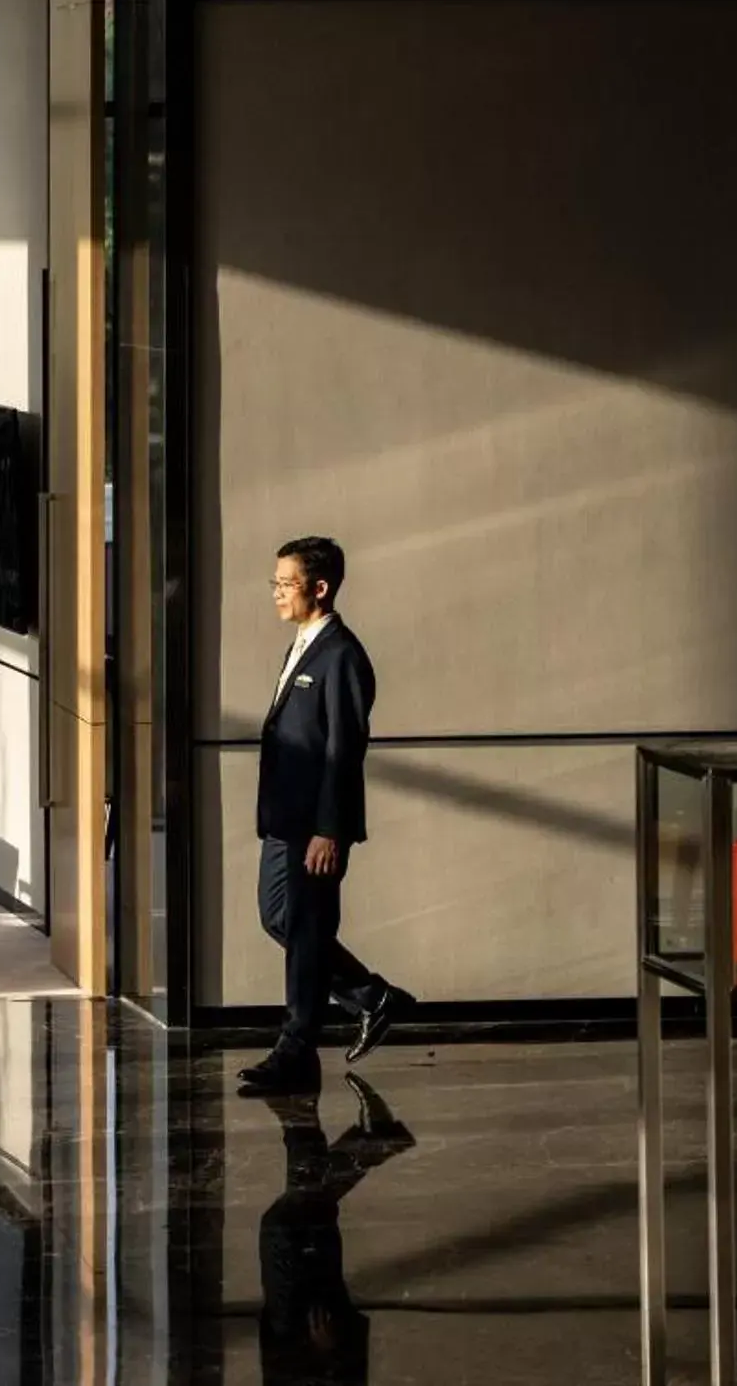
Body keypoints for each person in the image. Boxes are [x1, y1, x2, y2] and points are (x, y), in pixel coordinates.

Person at [239, 535, 414, 1096]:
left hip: (314, 825)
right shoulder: (300, 645)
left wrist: (329, 829)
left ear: (320, 587)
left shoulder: (341, 655)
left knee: (309, 931)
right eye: (275, 583)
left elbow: (343, 750)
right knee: (280, 919)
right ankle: (372, 997)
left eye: (285, 584)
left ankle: (296, 1051)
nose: (276, 594)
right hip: (284, 818)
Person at [255, 1073, 416, 1382]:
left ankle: (352, 1137)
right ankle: (304, 1115)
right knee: (288, 1222)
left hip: (295, 1344)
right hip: (311, 1342)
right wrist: (332, 1357)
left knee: (300, 1215)